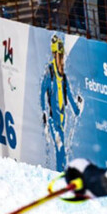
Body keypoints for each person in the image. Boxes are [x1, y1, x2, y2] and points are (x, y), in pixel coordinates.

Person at [40, 34, 82, 171]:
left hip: (62, 121)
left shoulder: (63, 76)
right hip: (53, 119)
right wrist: (44, 113)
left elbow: (69, 94)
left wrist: (77, 109)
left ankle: (62, 174)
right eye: (59, 56)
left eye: (62, 56)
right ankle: (59, 176)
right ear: (55, 55)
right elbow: (42, 92)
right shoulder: (49, 73)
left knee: (63, 153)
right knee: (60, 148)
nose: (62, 59)